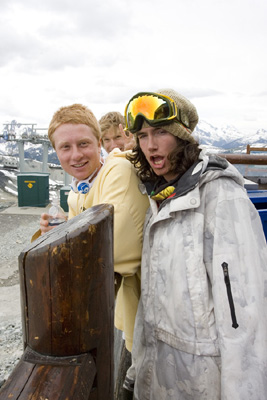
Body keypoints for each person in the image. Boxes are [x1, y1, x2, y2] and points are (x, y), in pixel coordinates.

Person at [123, 89, 267, 399]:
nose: (150, 145)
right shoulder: (160, 196)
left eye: (160, 132)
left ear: (182, 136)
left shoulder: (220, 198)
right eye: (143, 135)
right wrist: (136, 374)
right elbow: (150, 303)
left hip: (203, 383)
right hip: (157, 380)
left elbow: (245, 318)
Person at [36, 104, 149, 397]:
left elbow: (115, 249)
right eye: (66, 147)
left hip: (146, 313)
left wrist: (60, 246)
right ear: (56, 152)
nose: (76, 155)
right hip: (118, 312)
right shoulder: (80, 188)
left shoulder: (118, 171)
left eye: (84, 144)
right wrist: (56, 234)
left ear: (99, 143)